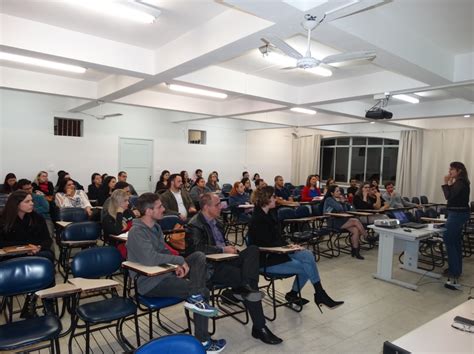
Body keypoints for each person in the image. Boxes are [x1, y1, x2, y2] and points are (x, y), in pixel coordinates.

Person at [126, 193, 226, 352]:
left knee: (198, 257)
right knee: (204, 292)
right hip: (150, 283)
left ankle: (195, 297)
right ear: (149, 212)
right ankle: (204, 341)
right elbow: (150, 258)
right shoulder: (137, 231)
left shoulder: (156, 227)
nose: (164, 209)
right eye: (159, 207)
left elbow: (164, 251)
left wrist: (178, 262)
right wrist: (178, 261)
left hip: (166, 273)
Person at [186, 193, 282, 345]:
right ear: (206, 207)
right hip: (212, 267)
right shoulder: (194, 224)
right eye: (217, 204)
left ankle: (242, 288)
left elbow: (222, 242)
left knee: (253, 250)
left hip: (227, 260)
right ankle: (260, 327)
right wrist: (223, 249)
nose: (221, 206)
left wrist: (230, 249)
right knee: (248, 283)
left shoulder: (217, 222)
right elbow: (196, 249)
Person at [248, 186, 343, 313]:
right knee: (306, 267)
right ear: (266, 199)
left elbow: (277, 238)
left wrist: (290, 245)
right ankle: (314, 294)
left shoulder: (270, 213)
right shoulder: (257, 219)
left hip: (279, 253)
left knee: (308, 255)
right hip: (267, 259)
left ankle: (315, 293)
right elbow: (265, 244)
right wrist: (288, 247)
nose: (276, 199)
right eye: (273, 197)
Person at [0, 190, 54, 263]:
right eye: (27, 201)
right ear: (16, 204)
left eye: (31, 201)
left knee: (47, 255)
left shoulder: (38, 218)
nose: (32, 204)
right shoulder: (3, 219)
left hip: (35, 251)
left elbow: (47, 240)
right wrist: (25, 247)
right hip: (11, 253)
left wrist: (39, 247)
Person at [442, 161, 471, 289]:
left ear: (458, 170)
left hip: (457, 214)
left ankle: (454, 271)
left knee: (449, 239)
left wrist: (445, 183)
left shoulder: (460, 182)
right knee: (455, 241)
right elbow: (452, 196)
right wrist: (449, 183)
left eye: (451, 170)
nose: (449, 172)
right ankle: (456, 269)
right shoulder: (461, 182)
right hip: (458, 214)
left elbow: (449, 196)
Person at [323, 185, 367, 260]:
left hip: (342, 220)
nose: (339, 192)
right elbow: (339, 208)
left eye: (339, 191)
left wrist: (343, 203)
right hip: (333, 222)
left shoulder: (338, 199)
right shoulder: (329, 199)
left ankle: (355, 251)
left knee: (355, 230)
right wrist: (341, 202)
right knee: (355, 221)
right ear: (332, 193)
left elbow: (345, 210)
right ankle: (366, 236)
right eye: (337, 191)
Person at [102, 189, 135, 258]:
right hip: (117, 246)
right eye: (125, 200)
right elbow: (117, 232)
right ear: (117, 202)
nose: (128, 203)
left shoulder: (128, 212)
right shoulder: (108, 218)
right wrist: (119, 214)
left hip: (132, 242)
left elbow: (137, 226)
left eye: (128, 200)